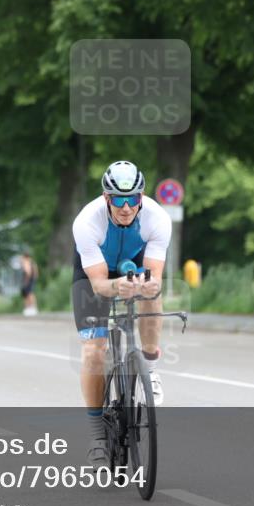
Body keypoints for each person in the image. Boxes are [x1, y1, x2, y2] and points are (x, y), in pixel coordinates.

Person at [72, 161, 171, 468]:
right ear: (106, 198)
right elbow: (100, 283)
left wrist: (143, 286)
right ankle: (98, 438)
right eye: (118, 199)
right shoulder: (87, 222)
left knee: (152, 290)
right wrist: (118, 286)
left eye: (132, 199)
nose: (126, 207)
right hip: (95, 274)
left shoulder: (158, 218)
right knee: (94, 351)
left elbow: (154, 275)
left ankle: (149, 367)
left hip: (136, 264)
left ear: (141, 197)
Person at [20, 251, 39, 316]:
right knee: (30, 293)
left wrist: (26, 281)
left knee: (28, 294)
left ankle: (29, 308)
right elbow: (36, 273)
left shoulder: (26, 262)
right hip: (32, 280)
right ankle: (33, 308)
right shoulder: (33, 263)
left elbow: (28, 272)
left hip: (28, 280)